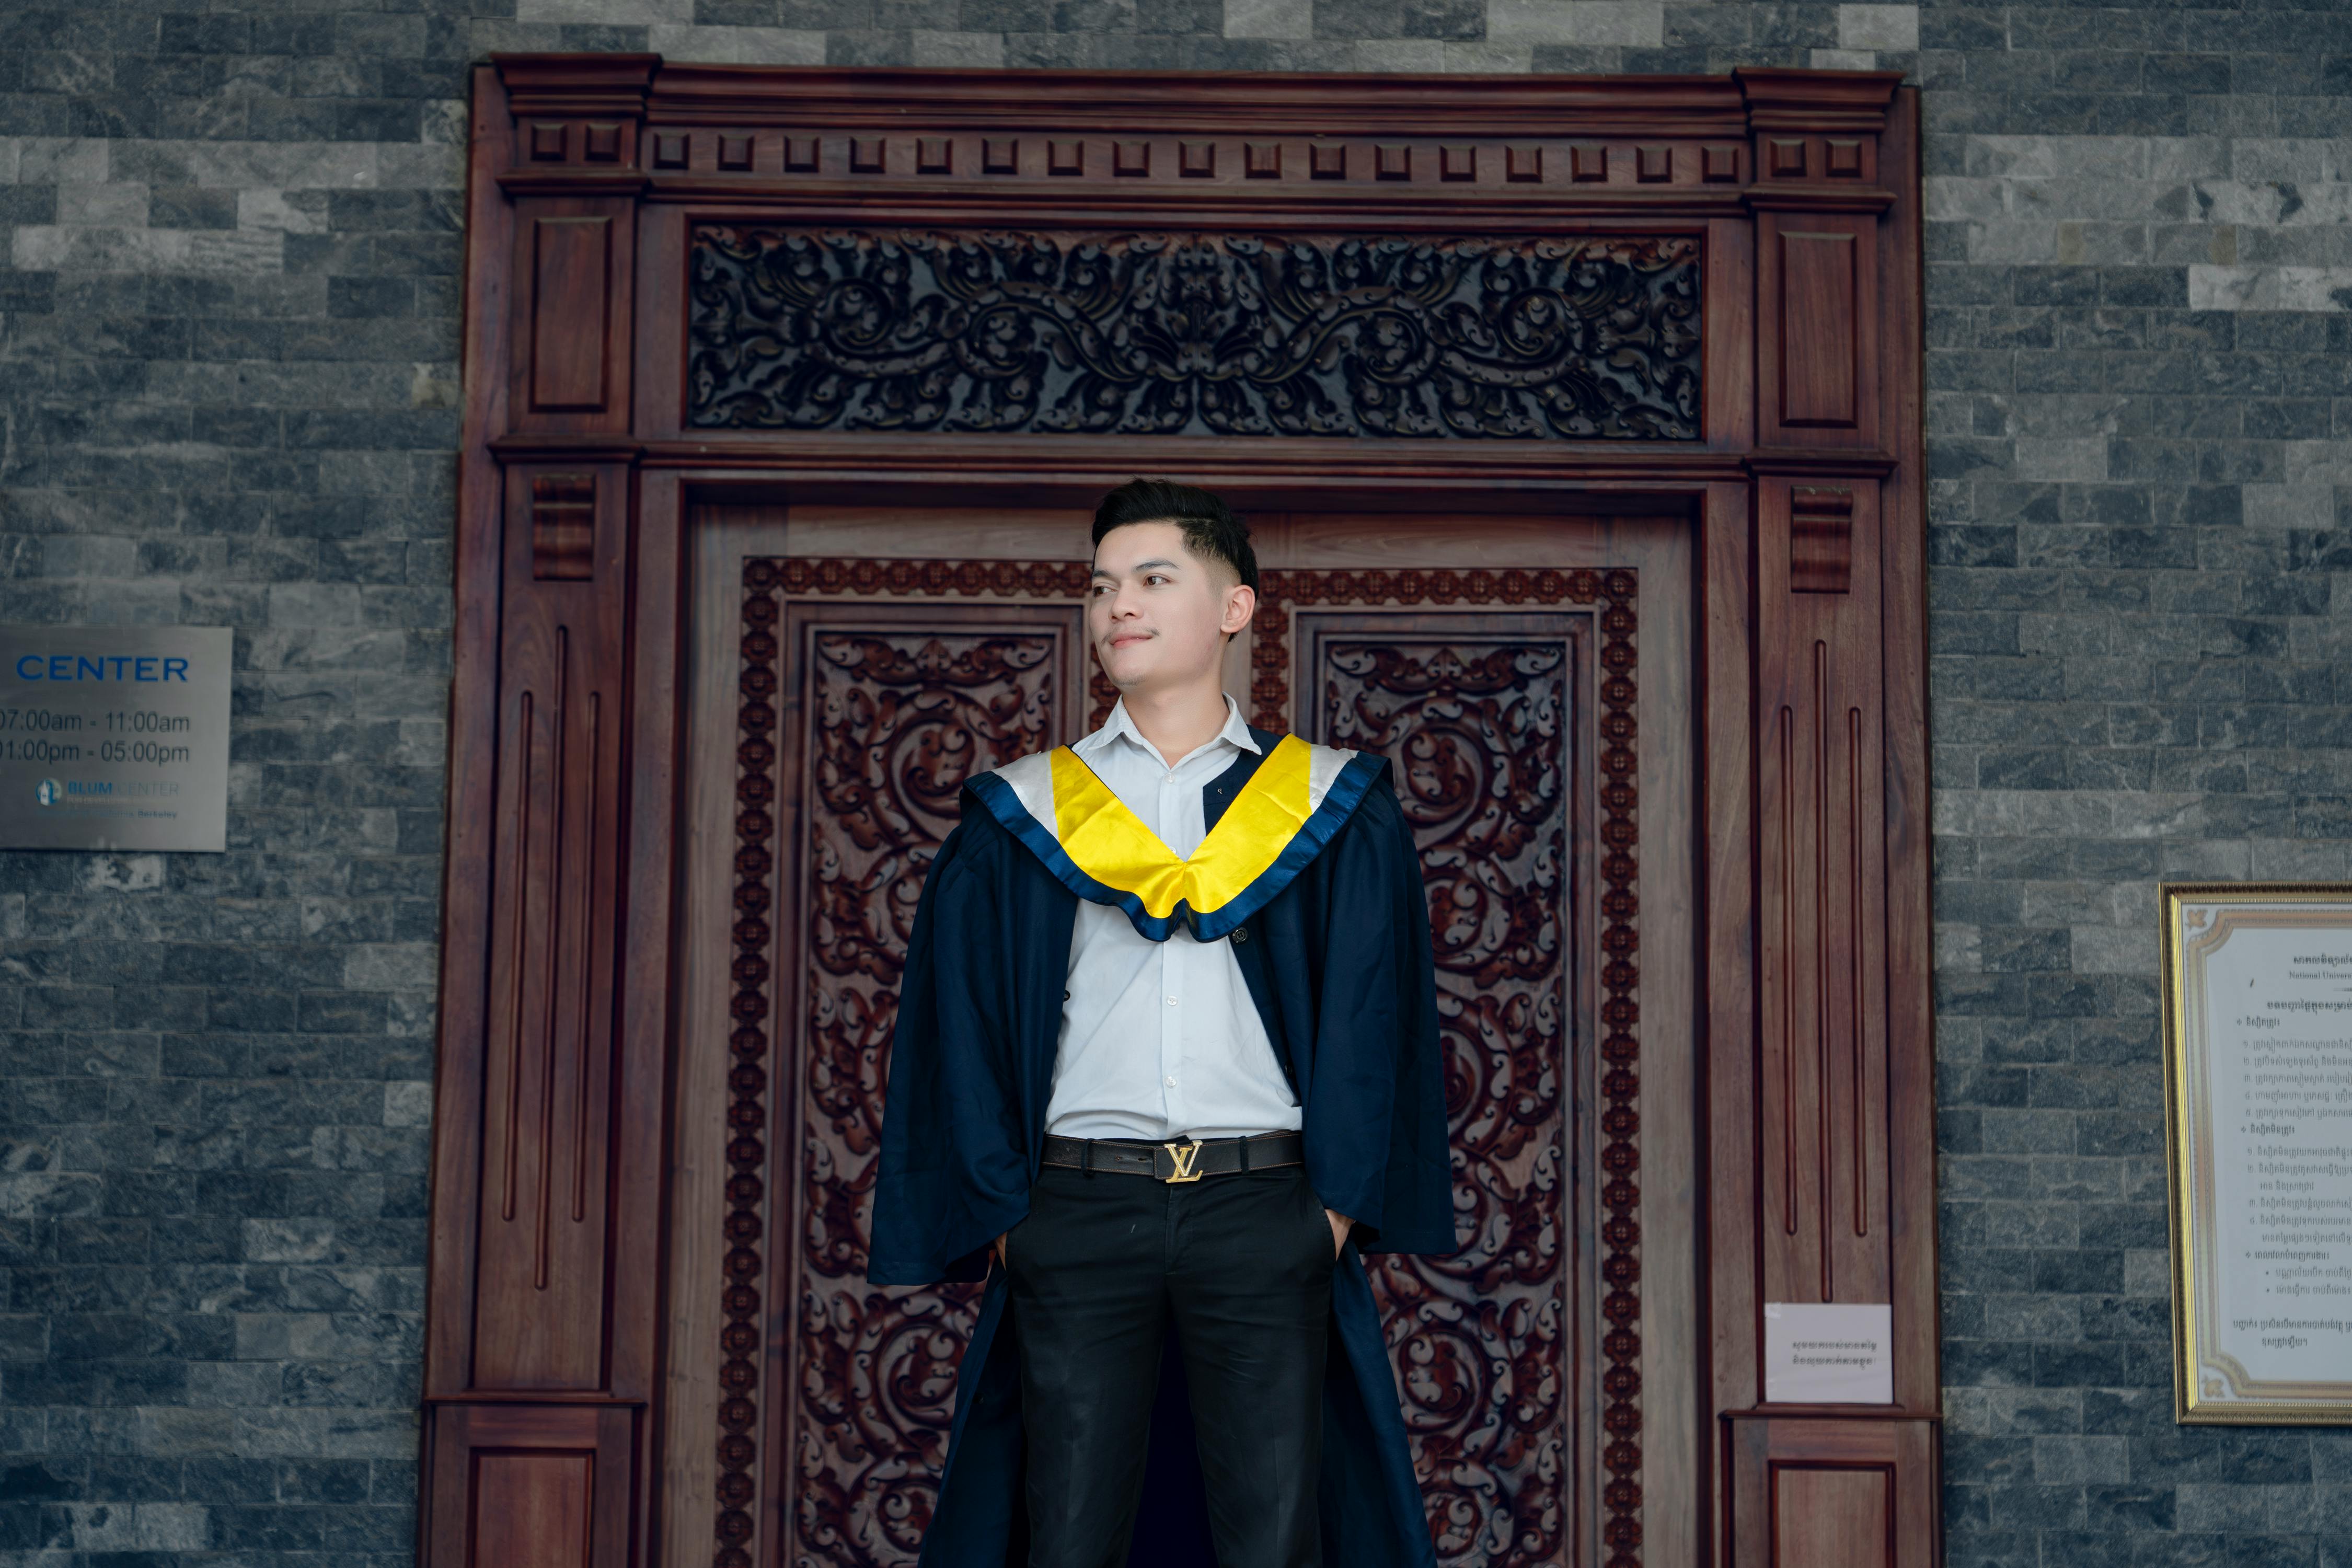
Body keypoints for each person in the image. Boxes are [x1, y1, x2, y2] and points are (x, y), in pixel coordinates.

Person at [868, 478, 1454, 1568]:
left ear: (1234, 609)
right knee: (1070, 1535)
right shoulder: (1025, 812)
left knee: (1274, 1537)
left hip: (1264, 1209)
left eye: (1151, 579)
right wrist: (1013, 1222)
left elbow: (1376, 1024)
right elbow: (964, 1032)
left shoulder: (1330, 806)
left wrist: (1325, 1220)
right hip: (1081, 1209)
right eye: (1101, 587)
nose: (1117, 606)